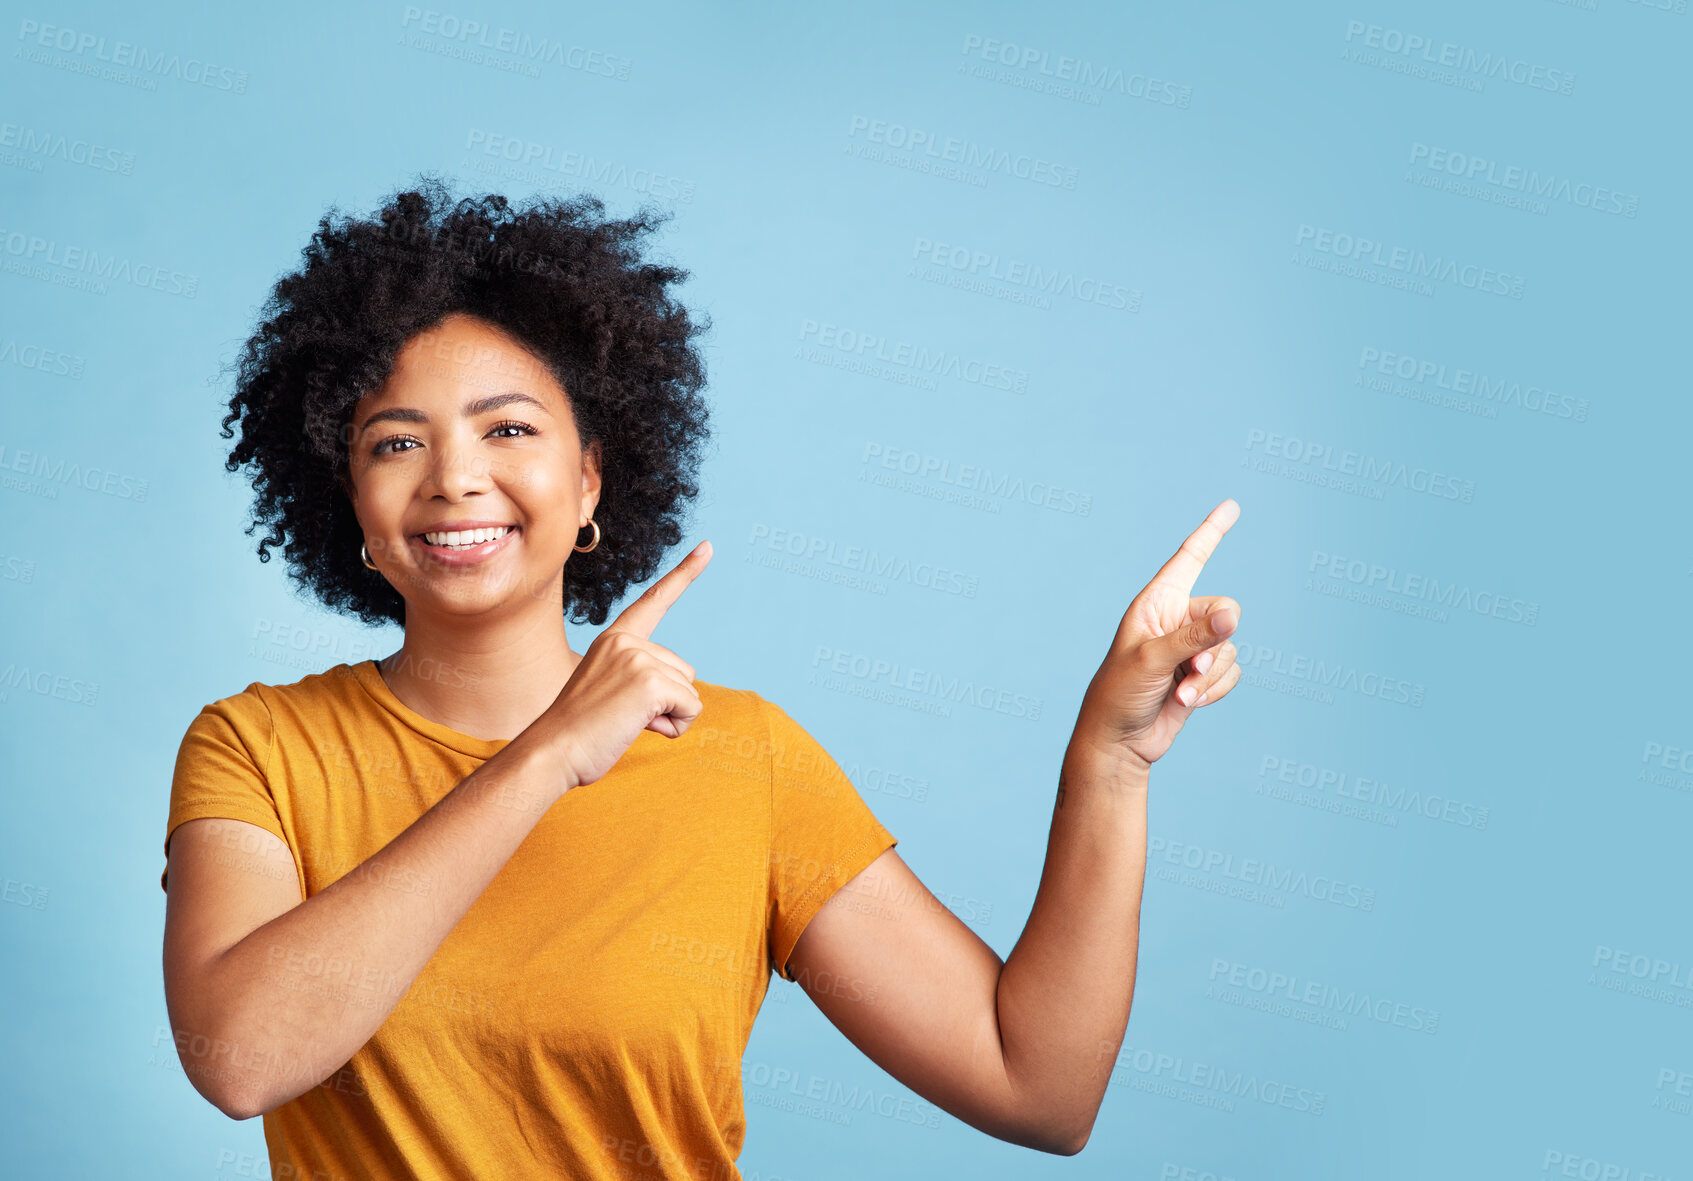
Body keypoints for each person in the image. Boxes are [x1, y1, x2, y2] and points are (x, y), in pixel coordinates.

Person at [160, 177, 1243, 1179]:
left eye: (510, 428)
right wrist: (546, 759)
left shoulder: (742, 761)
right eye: (395, 444)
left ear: (590, 477)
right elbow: (239, 1056)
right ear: (344, 496)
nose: (454, 477)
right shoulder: (258, 750)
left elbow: (1039, 1085)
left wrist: (1108, 762)